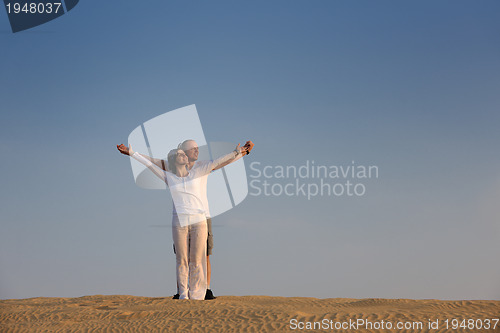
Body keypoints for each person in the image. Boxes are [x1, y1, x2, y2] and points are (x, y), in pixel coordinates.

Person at [117, 142, 252, 300]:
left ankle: (197, 295)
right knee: (181, 259)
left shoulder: (199, 170)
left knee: (197, 259)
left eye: (185, 154)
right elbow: (150, 164)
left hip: (199, 221)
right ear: (175, 160)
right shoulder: (169, 176)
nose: (186, 156)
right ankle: (183, 294)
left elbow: (218, 162)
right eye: (181, 154)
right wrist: (132, 153)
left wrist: (237, 152)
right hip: (179, 223)